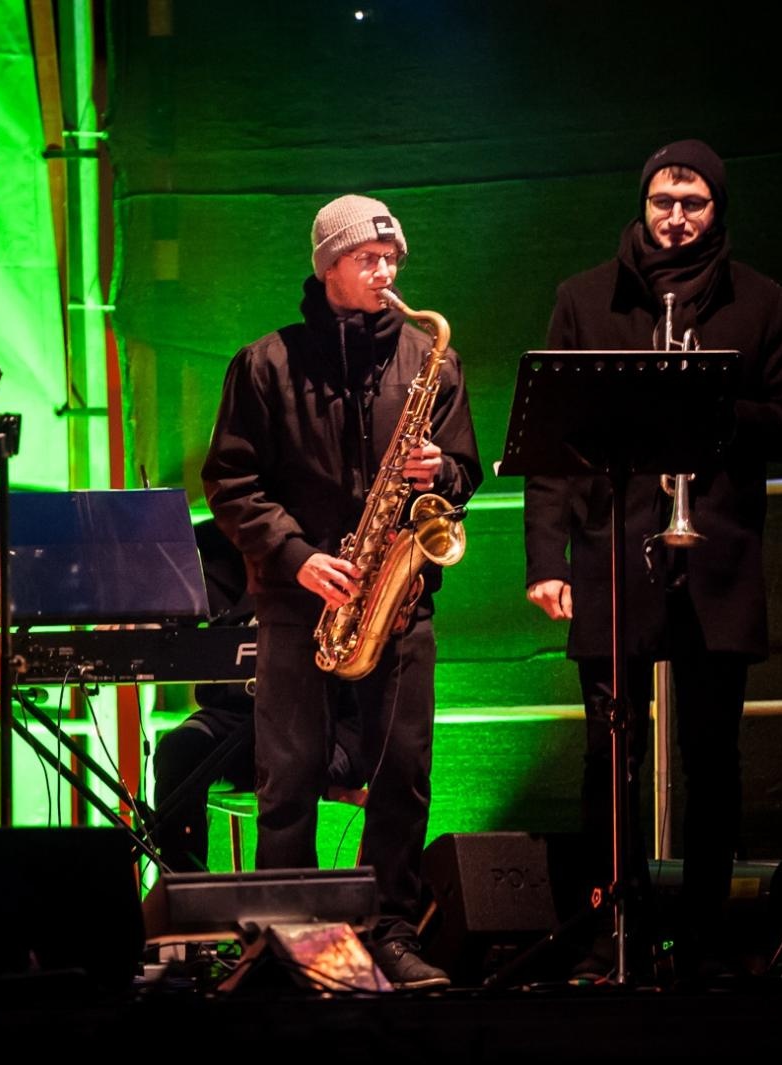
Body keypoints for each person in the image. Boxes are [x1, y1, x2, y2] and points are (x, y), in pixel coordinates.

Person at [523, 140, 782, 979]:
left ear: (716, 209)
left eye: (693, 201)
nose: (677, 216)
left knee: (713, 755)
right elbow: (551, 447)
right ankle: (605, 930)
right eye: (664, 200)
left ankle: (702, 938)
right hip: (614, 554)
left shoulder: (759, 301)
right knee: (607, 755)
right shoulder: (585, 298)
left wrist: (719, 403)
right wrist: (546, 557)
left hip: (716, 553)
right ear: (643, 203)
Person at [202, 194, 481, 989]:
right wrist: (297, 558)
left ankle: (388, 929)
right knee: (286, 778)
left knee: (405, 771)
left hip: (399, 600)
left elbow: (465, 473)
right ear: (327, 265)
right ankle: (286, 942)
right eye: (368, 258)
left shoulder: (432, 358)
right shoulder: (266, 362)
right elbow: (230, 482)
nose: (386, 270)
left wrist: (444, 471)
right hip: (301, 600)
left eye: (392, 257)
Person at [151, 521, 365, 873]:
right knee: (178, 751)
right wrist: (137, 619)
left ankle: (285, 908)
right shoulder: (217, 542)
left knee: (289, 760)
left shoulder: (332, 529)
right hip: (235, 716)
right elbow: (175, 619)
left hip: (327, 719)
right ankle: (184, 895)